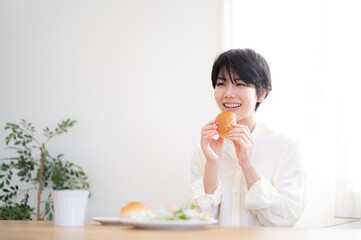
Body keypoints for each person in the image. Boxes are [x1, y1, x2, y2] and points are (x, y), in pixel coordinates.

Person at [190, 48, 305, 227]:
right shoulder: (203, 149)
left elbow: (287, 218)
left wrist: (247, 165)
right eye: (221, 83)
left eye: (240, 84)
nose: (228, 93)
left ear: (261, 94)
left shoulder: (285, 148)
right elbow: (199, 220)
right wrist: (212, 164)